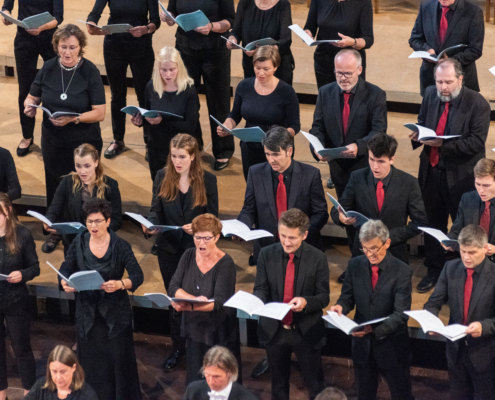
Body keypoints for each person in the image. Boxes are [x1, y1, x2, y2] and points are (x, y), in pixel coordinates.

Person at [23, 24, 106, 254]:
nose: (67, 52)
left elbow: (99, 112)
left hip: (83, 142)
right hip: (53, 140)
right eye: (63, 47)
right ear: (56, 46)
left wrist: (74, 119)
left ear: (81, 47)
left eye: (72, 47)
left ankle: (87, 232)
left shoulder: (89, 71)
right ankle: (56, 231)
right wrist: (29, 106)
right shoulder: (49, 67)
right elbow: (33, 95)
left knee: (84, 188)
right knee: (55, 185)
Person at [409, 58, 490, 293]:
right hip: (432, 172)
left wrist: (441, 145)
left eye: (448, 82)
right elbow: (424, 122)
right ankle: (434, 270)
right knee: (433, 223)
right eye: (439, 82)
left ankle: (457, 274)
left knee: (461, 225)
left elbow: (476, 142)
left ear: (461, 79)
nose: (443, 87)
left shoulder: (478, 104)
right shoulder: (430, 95)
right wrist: (418, 134)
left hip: (461, 177)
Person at [143, 133, 218, 372]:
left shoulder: (207, 180)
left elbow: (214, 221)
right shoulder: (162, 177)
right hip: (169, 249)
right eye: (174, 156)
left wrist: (197, 227)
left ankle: (202, 348)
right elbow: (156, 210)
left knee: (198, 300)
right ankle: (177, 347)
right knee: (175, 301)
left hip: (197, 251)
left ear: (193, 156)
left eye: (182, 157)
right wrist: (150, 225)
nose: (177, 161)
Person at [59, 198, 144, 400]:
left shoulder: (120, 245)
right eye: (89, 222)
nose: (93, 226)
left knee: (116, 364)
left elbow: (137, 276)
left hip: (114, 317)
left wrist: (120, 284)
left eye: (97, 221)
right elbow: (65, 268)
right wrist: (64, 282)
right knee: (91, 365)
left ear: (108, 221)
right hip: (88, 316)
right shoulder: (79, 243)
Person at [330, 220, 413, 400]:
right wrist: (340, 307)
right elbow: (347, 297)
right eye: (365, 249)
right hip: (363, 346)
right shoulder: (355, 265)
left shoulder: (402, 271)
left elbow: (401, 315)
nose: (370, 254)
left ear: (387, 243)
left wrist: (373, 331)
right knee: (365, 394)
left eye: (374, 248)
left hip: (392, 346)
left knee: (401, 394)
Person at [253, 208, 329, 400]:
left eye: (292, 238)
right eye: (283, 235)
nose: (287, 242)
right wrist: (256, 300)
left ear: (304, 235)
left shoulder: (318, 258)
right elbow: (261, 288)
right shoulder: (265, 254)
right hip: (275, 331)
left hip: (305, 331)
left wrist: (306, 302)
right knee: (278, 385)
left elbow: (323, 297)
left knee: (315, 384)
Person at [330, 133, 427, 282]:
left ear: (392, 159)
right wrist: (341, 217)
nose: (375, 166)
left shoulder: (409, 183)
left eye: (381, 161)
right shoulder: (357, 177)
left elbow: (419, 223)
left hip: (394, 255)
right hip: (362, 255)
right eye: (371, 159)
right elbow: (338, 209)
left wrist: (387, 238)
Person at [161, 0, 235, 171]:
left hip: (215, 49)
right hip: (186, 48)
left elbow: (231, 20)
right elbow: (172, 12)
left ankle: (223, 149)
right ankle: (193, 144)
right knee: (187, 100)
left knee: (218, 100)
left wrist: (212, 26)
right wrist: (169, 17)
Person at [238, 126, 328, 263]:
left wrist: (298, 234)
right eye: (267, 154)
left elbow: (320, 213)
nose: (271, 160)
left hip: (302, 248)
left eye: (275, 154)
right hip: (268, 249)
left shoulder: (310, 175)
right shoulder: (255, 173)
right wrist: (242, 227)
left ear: (289, 151)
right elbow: (248, 209)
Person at [424, 224, 495, 400]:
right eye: (463, 251)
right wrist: (430, 319)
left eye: (472, 252)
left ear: (485, 249)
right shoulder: (450, 268)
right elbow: (434, 302)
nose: (466, 257)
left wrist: (484, 326)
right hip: (455, 352)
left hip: (485, 354)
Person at [168, 214, 239, 385]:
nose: (201, 243)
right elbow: (173, 287)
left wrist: (189, 307)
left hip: (218, 332)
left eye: (207, 238)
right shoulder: (188, 255)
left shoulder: (226, 263)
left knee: (217, 381)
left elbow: (219, 302)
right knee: (196, 379)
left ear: (216, 237)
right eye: (197, 237)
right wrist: (192, 299)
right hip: (195, 329)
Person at [86, 0, 160, 160]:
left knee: (144, 94)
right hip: (114, 46)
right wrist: (92, 25)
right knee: (117, 94)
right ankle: (117, 139)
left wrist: (146, 29)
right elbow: (94, 14)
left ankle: (149, 141)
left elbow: (155, 21)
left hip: (141, 46)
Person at [309, 49, 386, 192]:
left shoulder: (375, 94)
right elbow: (317, 127)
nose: (343, 78)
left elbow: (379, 131)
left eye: (348, 73)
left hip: (364, 165)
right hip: (337, 167)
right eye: (339, 73)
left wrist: (359, 146)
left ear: (359, 70)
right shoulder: (325, 92)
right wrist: (316, 148)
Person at [218, 46, 300, 180]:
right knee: (253, 187)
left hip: (276, 150)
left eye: (266, 69)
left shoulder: (287, 92)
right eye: (257, 68)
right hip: (250, 147)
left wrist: (278, 139)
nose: (261, 73)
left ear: (275, 67)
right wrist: (227, 126)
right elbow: (235, 115)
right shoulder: (244, 86)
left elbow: (294, 125)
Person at [1, 0, 62, 157]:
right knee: (25, 89)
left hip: (49, 40)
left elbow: (58, 17)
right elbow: (6, 7)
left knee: (53, 89)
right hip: (24, 39)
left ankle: (53, 136)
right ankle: (27, 136)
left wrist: (41, 27)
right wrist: (7, 17)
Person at [130, 47, 200, 181]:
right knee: (158, 188)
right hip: (156, 147)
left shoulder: (188, 90)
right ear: (158, 69)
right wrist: (140, 121)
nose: (168, 74)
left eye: (172, 69)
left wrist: (163, 121)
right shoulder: (151, 86)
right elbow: (148, 113)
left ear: (179, 67)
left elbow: (191, 126)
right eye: (164, 70)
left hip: (181, 150)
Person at [42, 143, 122, 254]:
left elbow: (116, 219)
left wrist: (99, 233)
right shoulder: (67, 182)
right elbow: (55, 207)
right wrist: (48, 220)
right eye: (78, 166)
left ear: (96, 162)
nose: (82, 171)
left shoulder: (110, 185)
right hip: (73, 241)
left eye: (87, 166)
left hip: (99, 242)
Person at [0, 193, 39, 400]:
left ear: (8, 211)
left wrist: (22, 274)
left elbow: (35, 267)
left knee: (22, 349)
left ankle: (29, 393)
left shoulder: (22, 235)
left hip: (16, 300)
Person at [409, 0, 484, 96]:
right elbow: (415, 39)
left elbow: (475, 50)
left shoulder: (473, 12)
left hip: (460, 79)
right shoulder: (426, 6)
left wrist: (450, 61)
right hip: (431, 78)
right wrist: (426, 50)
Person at [303, 0, 373, 89]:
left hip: (350, 64)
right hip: (324, 60)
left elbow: (368, 39)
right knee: (327, 98)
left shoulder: (363, 2)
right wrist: (307, 33)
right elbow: (310, 26)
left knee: (351, 100)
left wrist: (353, 42)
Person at [227, 0, 293, 84]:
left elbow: (286, 40)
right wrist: (233, 39)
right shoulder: (245, 3)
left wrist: (260, 51)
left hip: (276, 67)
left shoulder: (283, 5)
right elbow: (236, 31)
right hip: (252, 66)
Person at [446, 159, 495, 261]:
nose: (481, 190)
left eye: (486, 185)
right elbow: (456, 231)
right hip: (472, 261)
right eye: (478, 184)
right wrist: (448, 240)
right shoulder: (467, 199)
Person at [183, 346, 258, 400]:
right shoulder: (192, 390)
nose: (211, 382)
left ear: (230, 373)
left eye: (216, 376)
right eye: (207, 375)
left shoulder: (248, 398)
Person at [25, 345, 98, 400]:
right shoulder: (41, 385)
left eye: (63, 372)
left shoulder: (88, 396)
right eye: (54, 371)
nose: (58, 377)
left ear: (73, 368)